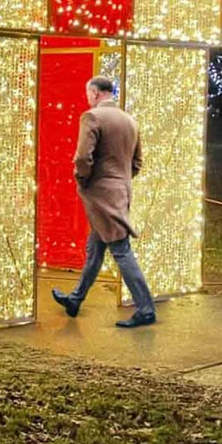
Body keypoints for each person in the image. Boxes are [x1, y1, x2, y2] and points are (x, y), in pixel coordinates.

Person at [53, 77, 156, 328]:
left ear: (95, 92)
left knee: (120, 249)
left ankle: (145, 309)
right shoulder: (129, 120)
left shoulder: (92, 117)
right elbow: (137, 161)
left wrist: (83, 179)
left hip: (101, 194)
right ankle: (76, 299)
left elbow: (83, 157)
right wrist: (120, 181)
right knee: (95, 248)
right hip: (121, 190)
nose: (88, 98)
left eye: (88, 93)